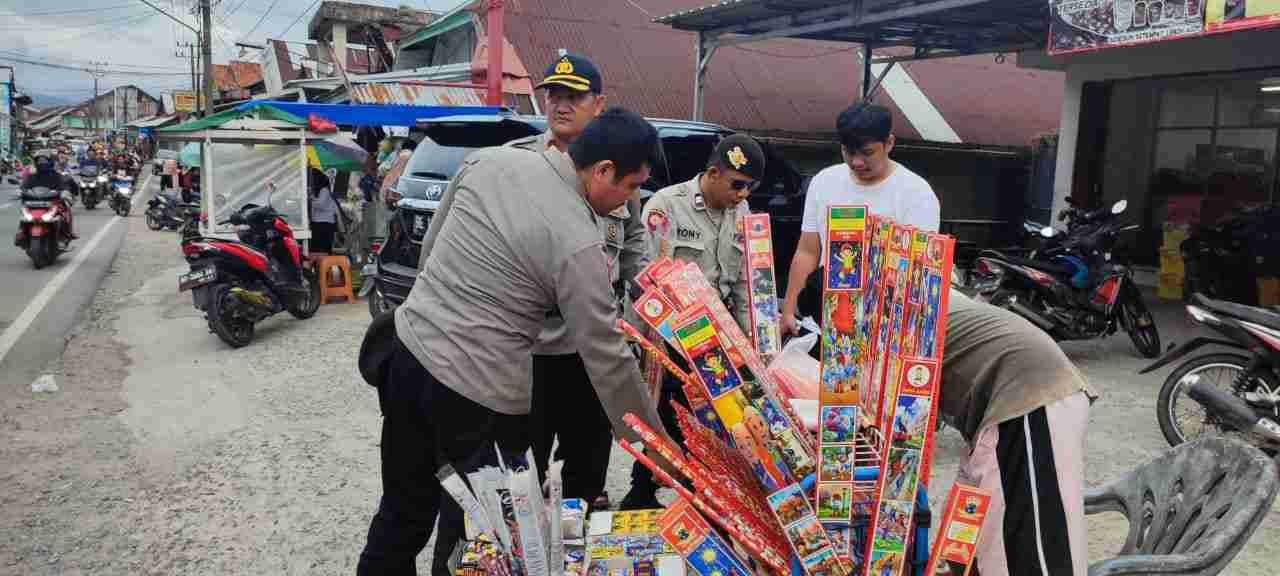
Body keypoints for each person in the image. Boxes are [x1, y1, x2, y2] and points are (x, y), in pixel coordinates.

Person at [356, 108, 674, 576]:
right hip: (474, 392)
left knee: (402, 509)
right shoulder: (578, 239)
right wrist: (657, 447)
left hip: (409, 353)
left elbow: (431, 250)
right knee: (482, 535)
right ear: (603, 170)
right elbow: (606, 353)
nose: (630, 201)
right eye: (631, 187)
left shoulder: (489, 162)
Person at [778, 103, 1093, 576]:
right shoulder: (882, 309)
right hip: (996, 407)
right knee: (978, 529)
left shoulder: (901, 317)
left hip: (1033, 395)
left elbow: (883, 419)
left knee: (1032, 541)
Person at [505, 53, 641, 511]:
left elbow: (634, 239)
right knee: (522, 464)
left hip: (591, 348)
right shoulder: (520, 162)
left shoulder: (618, 161)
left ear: (598, 103)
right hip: (531, 348)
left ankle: (579, 537)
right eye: (553, 96)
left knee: (586, 465)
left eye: (574, 97)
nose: (561, 105)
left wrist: (642, 299)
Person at [619, 134, 766, 510]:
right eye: (737, 184)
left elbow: (744, 284)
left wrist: (752, 345)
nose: (743, 194)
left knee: (714, 424)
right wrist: (645, 342)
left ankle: (704, 497)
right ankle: (643, 491)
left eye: (750, 187)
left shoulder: (741, 212)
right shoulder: (667, 205)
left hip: (718, 339)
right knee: (667, 416)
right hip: (670, 336)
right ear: (713, 173)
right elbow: (643, 277)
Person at [18, 149, 76, 241]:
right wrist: (21, 192)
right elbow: (24, 187)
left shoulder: (57, 175)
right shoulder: (31, 176)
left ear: (50, 161)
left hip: (51, 203)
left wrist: (65, 192)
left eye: (44, 160)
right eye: (39, 161)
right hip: (33, 204)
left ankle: (68, 232)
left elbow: (64, 185)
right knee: (23, 212)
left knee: (66, 209)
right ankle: (21, 232)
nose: (41, 163)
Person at [309, 168, 338, 254]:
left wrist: (310, 200)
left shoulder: (324, 190)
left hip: (324, 224)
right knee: (320, 249)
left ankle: (324, 262)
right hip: (321, 223)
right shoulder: (322, 191)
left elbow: (320, 205)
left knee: (321, 249)